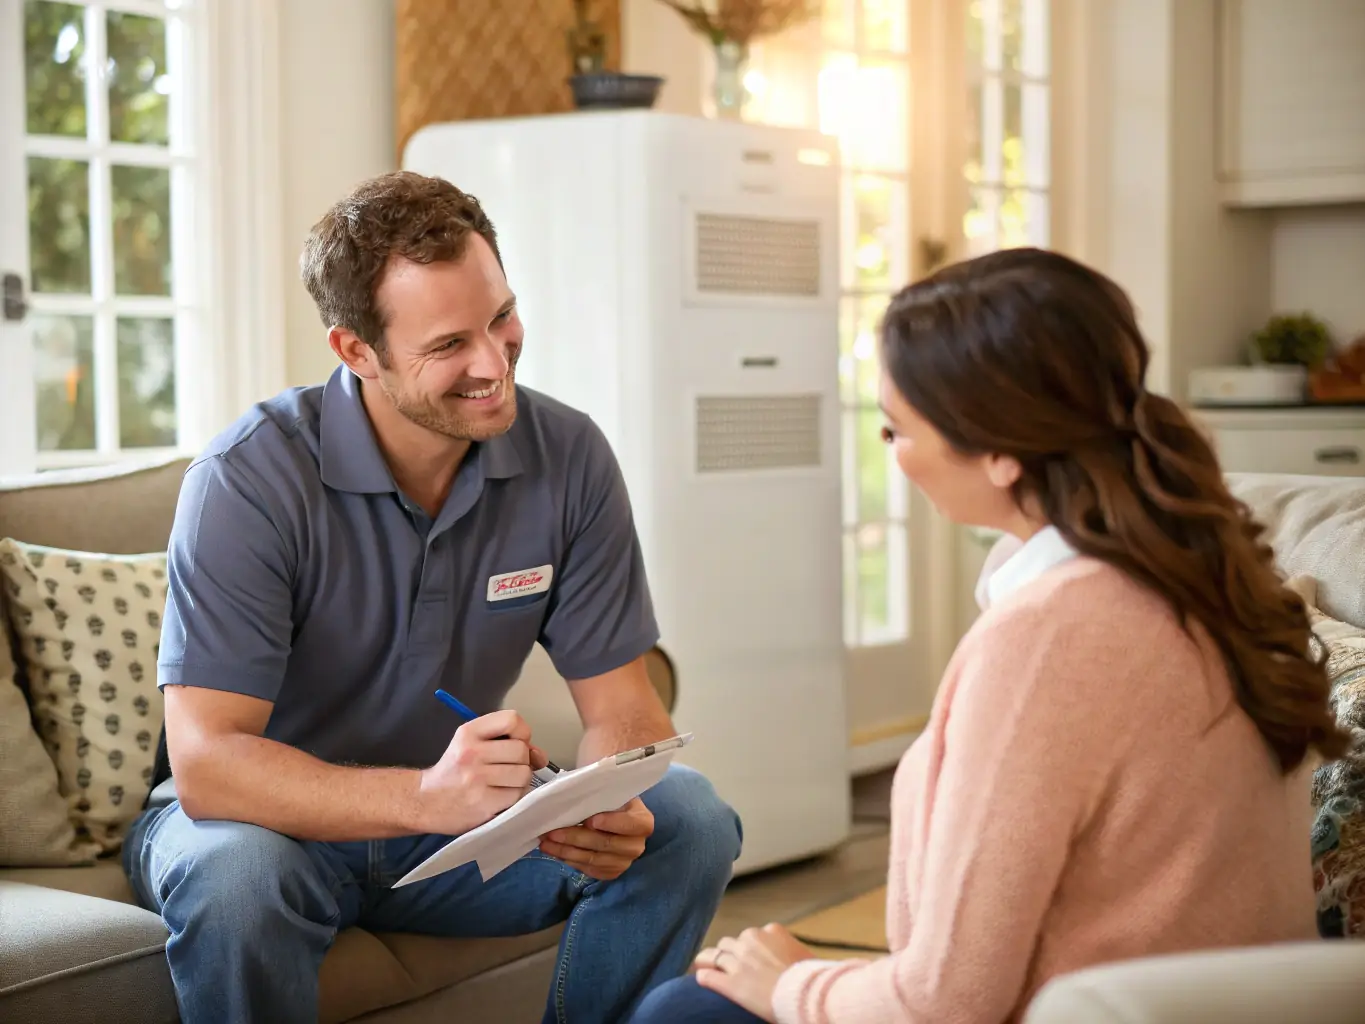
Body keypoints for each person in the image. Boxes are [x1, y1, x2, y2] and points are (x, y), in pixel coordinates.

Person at [628, 247, 1347, 1024]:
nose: (891, 457)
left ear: (1001, 452)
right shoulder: (1201, 571)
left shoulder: (1049, 637)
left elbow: (946, 1002)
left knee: (685, 1010)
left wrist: (789, 985)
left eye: (896, 431)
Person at [121, 170, 743, 1024]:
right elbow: (209, 765)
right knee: (238, 881)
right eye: (449, 343)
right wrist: (424, 796)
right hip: (264, 829)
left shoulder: (569, 456)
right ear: (356, 352)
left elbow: (623, 705)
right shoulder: (247, 479)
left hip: (461, 827)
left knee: (689, 819)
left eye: (501, 317)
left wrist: (609, 803)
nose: (493, 363)